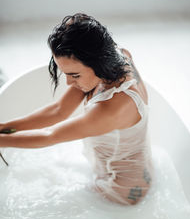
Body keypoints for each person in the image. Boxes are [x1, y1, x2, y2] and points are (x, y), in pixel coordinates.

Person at [0, 13, 153, 205]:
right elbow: (58, 110)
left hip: (121, 190)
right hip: (133, 170)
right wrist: (5, 126)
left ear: (97, 63)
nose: (69, 82)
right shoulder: (116, 59)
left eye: (75, 75)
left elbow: (49, 136)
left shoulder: (113, 107)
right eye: (64, 73)